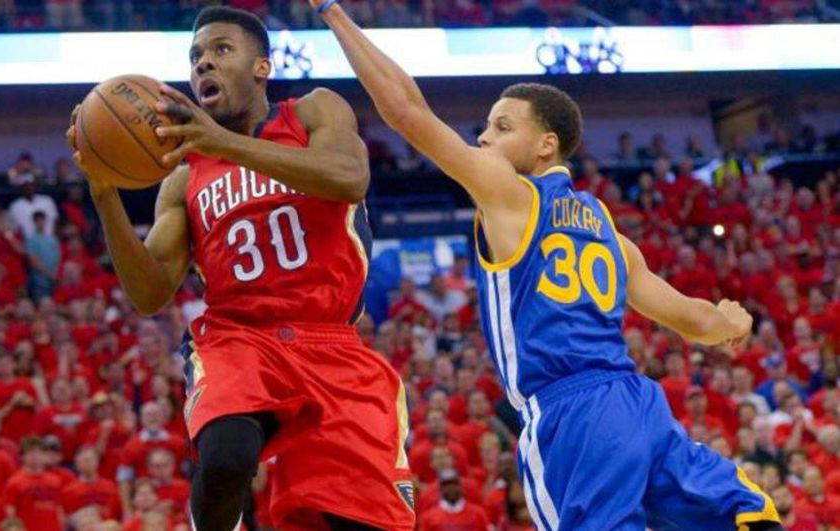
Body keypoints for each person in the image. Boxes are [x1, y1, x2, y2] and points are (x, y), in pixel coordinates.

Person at [314, 2, 781, 529]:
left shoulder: (509, 194)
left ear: (545, 145)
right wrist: (731, 320)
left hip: (572, 415)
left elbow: (406, 111)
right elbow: (696, 321)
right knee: (746, 513)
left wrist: (332, 12)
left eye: (501, 127)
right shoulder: (609, 232)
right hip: (640, 407)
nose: (484, 138)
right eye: (485, 127)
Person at [66, 6, 413, 530]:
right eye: (195, 56)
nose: (203, 63)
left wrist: (221, 141)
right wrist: (104, 194)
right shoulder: (184, 178)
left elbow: (348, 177)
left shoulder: (313, 111)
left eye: (221, 49)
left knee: (357, 522)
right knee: (227, 456)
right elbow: (149, 292)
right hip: (239, 338)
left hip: (331, 342)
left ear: (262, 67)